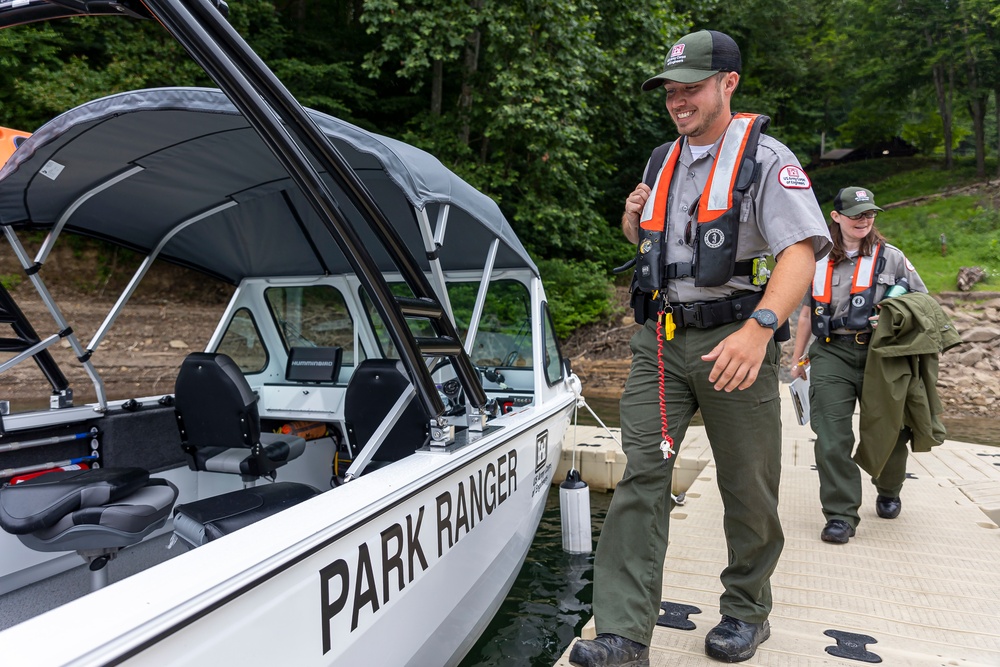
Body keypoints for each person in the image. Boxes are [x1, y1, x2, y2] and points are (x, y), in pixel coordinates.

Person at [569, 30, 831, 666]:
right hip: (659, 342)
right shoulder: (661, 160)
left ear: (728, 84)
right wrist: (634, 220)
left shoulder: (767, 160)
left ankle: (746, 611)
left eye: (690, 87)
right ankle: (624, 633)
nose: (677, 100)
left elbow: (800, 251)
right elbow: (653, 243)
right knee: (642, 478)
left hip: (734, 341)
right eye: (670, 90)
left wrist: (761, 327)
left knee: (749, 485)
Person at [789, 186, 927, 545]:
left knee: (890, 433)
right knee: (831, 438)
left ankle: (889, 487)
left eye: (869, 214)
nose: (864, 220)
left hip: (881, 356)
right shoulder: (814, 258)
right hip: (831, 352)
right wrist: (797, 358)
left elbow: (922, 303)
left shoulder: (892, 258)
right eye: (856, 214)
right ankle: (839, 515)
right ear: (836, 217)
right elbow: (806, 312)